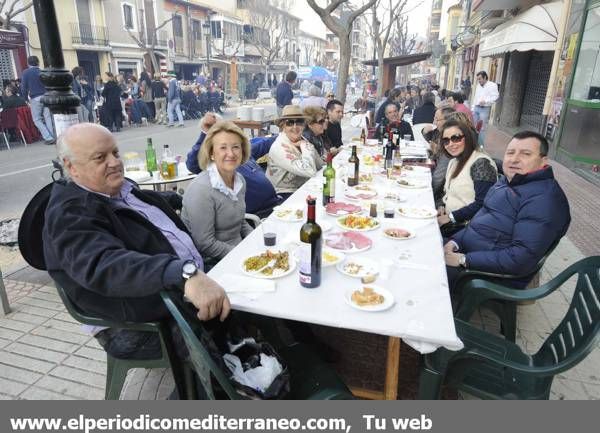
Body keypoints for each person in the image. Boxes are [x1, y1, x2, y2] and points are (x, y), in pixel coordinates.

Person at [43, 123, 230, 361]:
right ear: (71, 166)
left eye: (115, 153)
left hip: (176, 287)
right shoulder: (69, 214)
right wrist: (182, 273)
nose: (114, 162)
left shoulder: (116, 189)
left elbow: (137, 210)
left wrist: (176, 199)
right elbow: (104, 264)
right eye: (100, 157)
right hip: (131, 323)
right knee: (218, 337)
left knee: (249, 292)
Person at [444, 131, 571, 289]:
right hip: (471, 253)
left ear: (543, 161)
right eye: (510, 153)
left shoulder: (545, 199)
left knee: (427, 272)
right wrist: (454, 242)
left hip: (488, 275)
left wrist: (463, 259)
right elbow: (478, 223)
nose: (514, 159)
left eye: (526, 154)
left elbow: (520, 260)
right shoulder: (508, 181)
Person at [181, 122, 254, 268]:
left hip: (240, 252)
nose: (231, 154)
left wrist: (257, 238)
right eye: (223, 148)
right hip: (213, 262)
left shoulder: (240, 180)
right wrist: (244, 257)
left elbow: (240, 222)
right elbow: (205, 243)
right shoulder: (202, 189)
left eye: (235, 147)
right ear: (211, 154)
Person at [186, 113, 282, 218]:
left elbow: (265, 143)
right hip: (259, 215)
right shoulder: (219, 162)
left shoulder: (242, 151)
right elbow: (193, 164)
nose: (231, 153)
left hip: (276, 204)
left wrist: (287, 133)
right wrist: (205, 132)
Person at [436, 119, 497, 235]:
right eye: (446, 141)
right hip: (449, 222)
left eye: (456, 138)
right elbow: (448, 194)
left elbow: (483, 204)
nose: (451, 144)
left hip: (467, 229)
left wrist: (451, 217)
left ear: (467, 137)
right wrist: (441, 207)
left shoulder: (481, 163)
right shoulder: (454, 161)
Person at [266, 105, 323, 198]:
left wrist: (306, 146)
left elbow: (320, 165)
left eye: (299, 122)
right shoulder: (279, 147)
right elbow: (310, 171)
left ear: (304, 125)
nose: (295, 127)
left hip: (303, 188)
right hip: (283, 194)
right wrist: (305, 146)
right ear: (282, 126)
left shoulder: (301, 139)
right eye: (289, 123)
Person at [20, 55, 55, 144]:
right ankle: (52, 136)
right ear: (38, 62)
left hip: (35, 98)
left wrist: (25, 99)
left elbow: (23, 87)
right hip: (46, 96)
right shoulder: (43, 71)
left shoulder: (26, 73)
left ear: (28, 63)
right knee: (48, 117)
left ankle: (48, 137)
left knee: (37, 119)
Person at [425, 106, 456, 203]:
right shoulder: (440, 134)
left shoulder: (449, 143)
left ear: (447, 121)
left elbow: (438, 179)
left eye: (437, 119)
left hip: (442, 197)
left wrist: (426, 195)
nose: (434, 122)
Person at [472, 71, 499, 147]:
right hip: (476, 108)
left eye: (480, 79)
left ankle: (480, 146)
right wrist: (473, 108)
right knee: (473, 127)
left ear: (485, 77)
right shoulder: (478, 86)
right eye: (478, 79)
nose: (479, 81)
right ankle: (473, 144)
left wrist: (486, 101)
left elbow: (496, 96)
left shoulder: (492, 85)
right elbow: (475, 97)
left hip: (484, 109)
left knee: (482, 128)